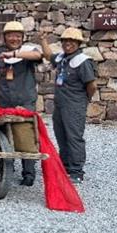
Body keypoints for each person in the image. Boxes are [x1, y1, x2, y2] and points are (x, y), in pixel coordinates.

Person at [0, 20, 43, 186]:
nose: (14, 39)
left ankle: (29, 173)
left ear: (22, 37)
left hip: (25, 101)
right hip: (5, 101)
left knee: (26, 134)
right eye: (10, 35)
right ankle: (5, 168)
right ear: (5, 37)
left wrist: (14, 54)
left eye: (18, 36)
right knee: (3, 133)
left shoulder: (27, 51)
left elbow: (38, 55)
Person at [41, 28, 97, 184]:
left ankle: (76, 171)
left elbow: (92, 85)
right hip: (60, 105)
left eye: (72, 41)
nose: (68, 43)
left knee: (74, 137)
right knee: (61, 135)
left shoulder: (83, 61)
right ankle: (65, 166)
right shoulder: (62, 58)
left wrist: (85, 99)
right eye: (65, 40)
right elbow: (48, 55)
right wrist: (43, 40)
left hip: (74, 105)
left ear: (78, 43)